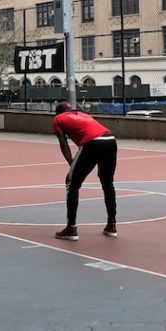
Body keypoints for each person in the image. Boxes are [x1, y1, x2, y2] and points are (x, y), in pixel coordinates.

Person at [50, 102, 118, 241]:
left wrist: (71, 165)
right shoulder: (83, 114)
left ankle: (71, 228)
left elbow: (63, 143)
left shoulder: (58, 119)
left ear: (58, 112)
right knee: (107, 183)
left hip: (92, 143)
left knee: (72, 182)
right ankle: (111, 225)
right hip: (110, 139)